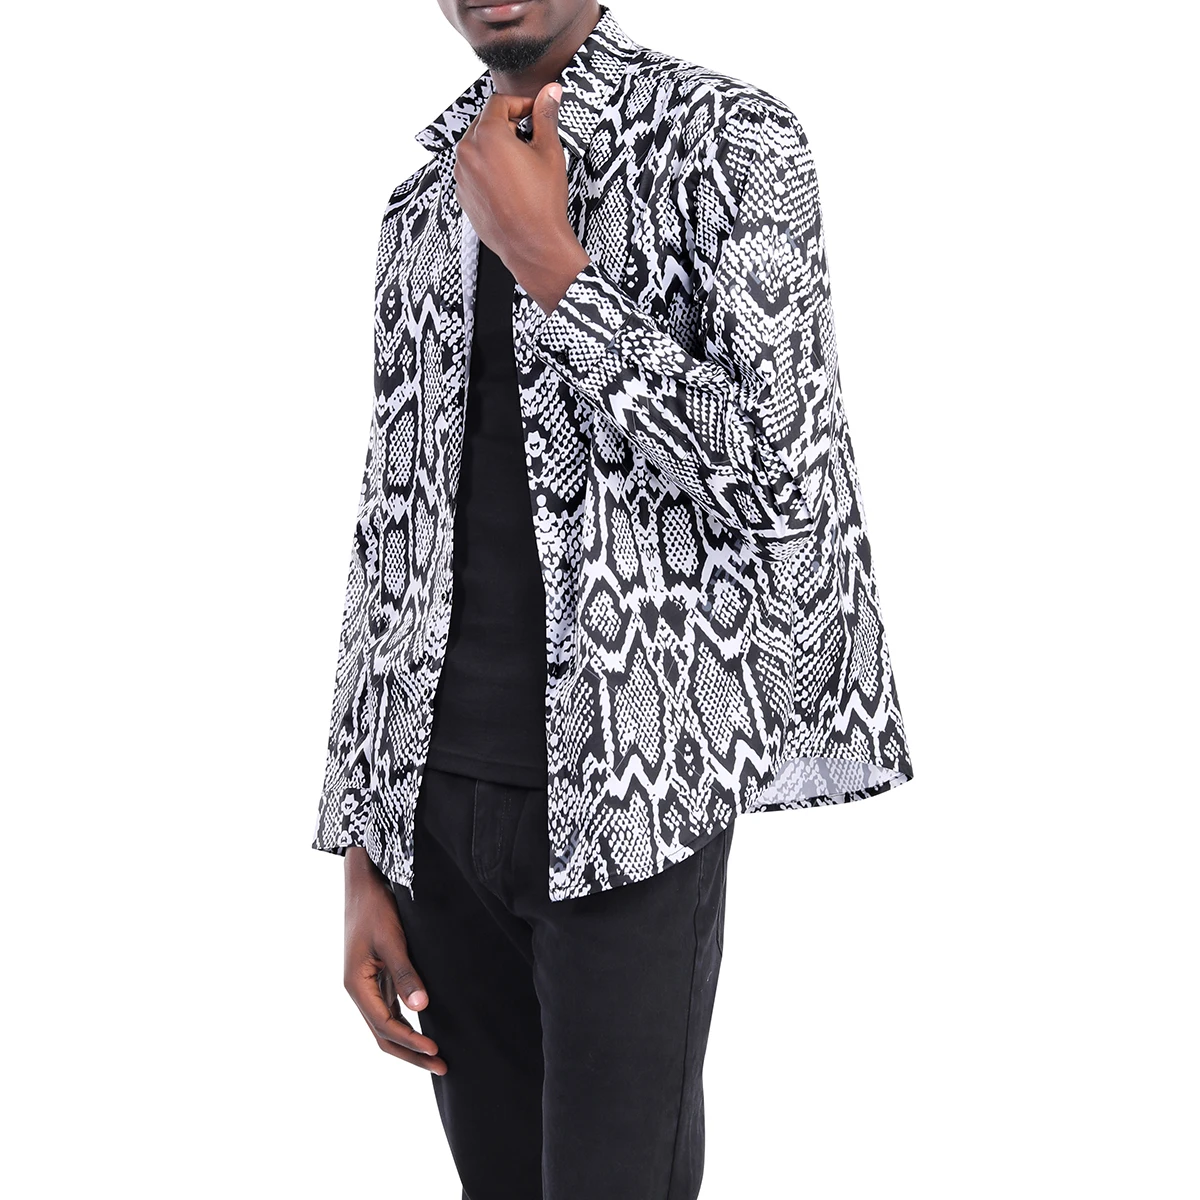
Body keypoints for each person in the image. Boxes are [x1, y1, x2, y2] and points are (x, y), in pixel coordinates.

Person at [313, 3, 914, 1197]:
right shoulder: (422, 201)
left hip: (632, 803)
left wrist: (552, 267)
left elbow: (781, 478)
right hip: (435, 813)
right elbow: (393, 522)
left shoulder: (730, 141)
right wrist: (361, 848)